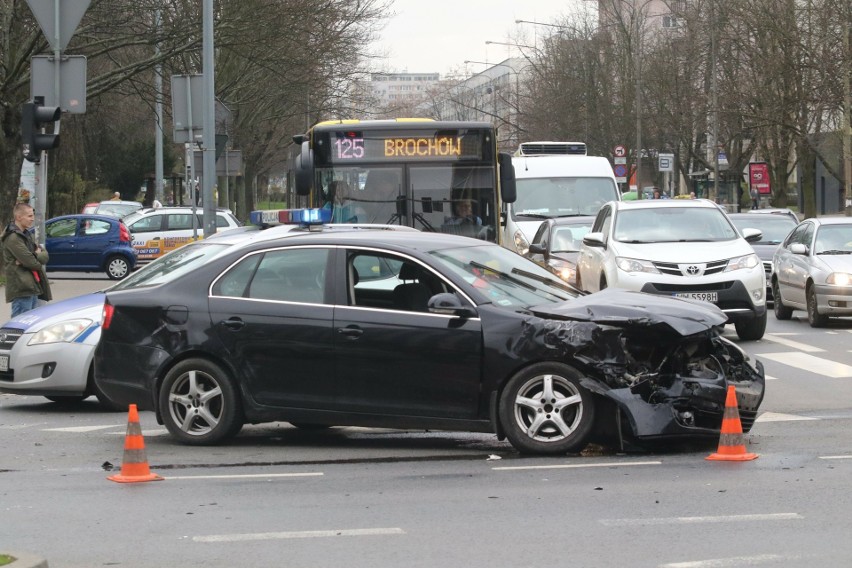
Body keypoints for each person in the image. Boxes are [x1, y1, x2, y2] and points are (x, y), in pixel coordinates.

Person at [2, 203, 52, 316]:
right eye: (29, 216)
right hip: (22, 288)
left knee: (31, 326)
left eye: (32, 215)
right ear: (19, 217)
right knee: (20, 327)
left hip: (32, 286)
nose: (32, 219)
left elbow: (44, 256)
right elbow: (34, 264)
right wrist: (35, 256)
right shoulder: (13, 238)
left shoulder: (26, 234)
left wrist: (33, 256)